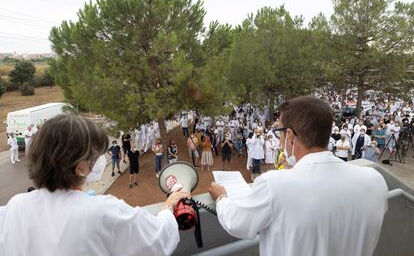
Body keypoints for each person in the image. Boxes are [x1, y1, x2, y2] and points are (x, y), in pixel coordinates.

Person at [209, 96, 388, 256]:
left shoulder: (275, 184)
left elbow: (237, 223)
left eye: (279, 132)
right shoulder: (374, 180)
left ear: (290, 136)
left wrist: (221, 198)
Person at [0, 114, 189, 256]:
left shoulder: (14, 207)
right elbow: (158, 240)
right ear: (80, 165)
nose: (98, 160)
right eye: (94, 155)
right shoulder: (103, 210)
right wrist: (169, 206)